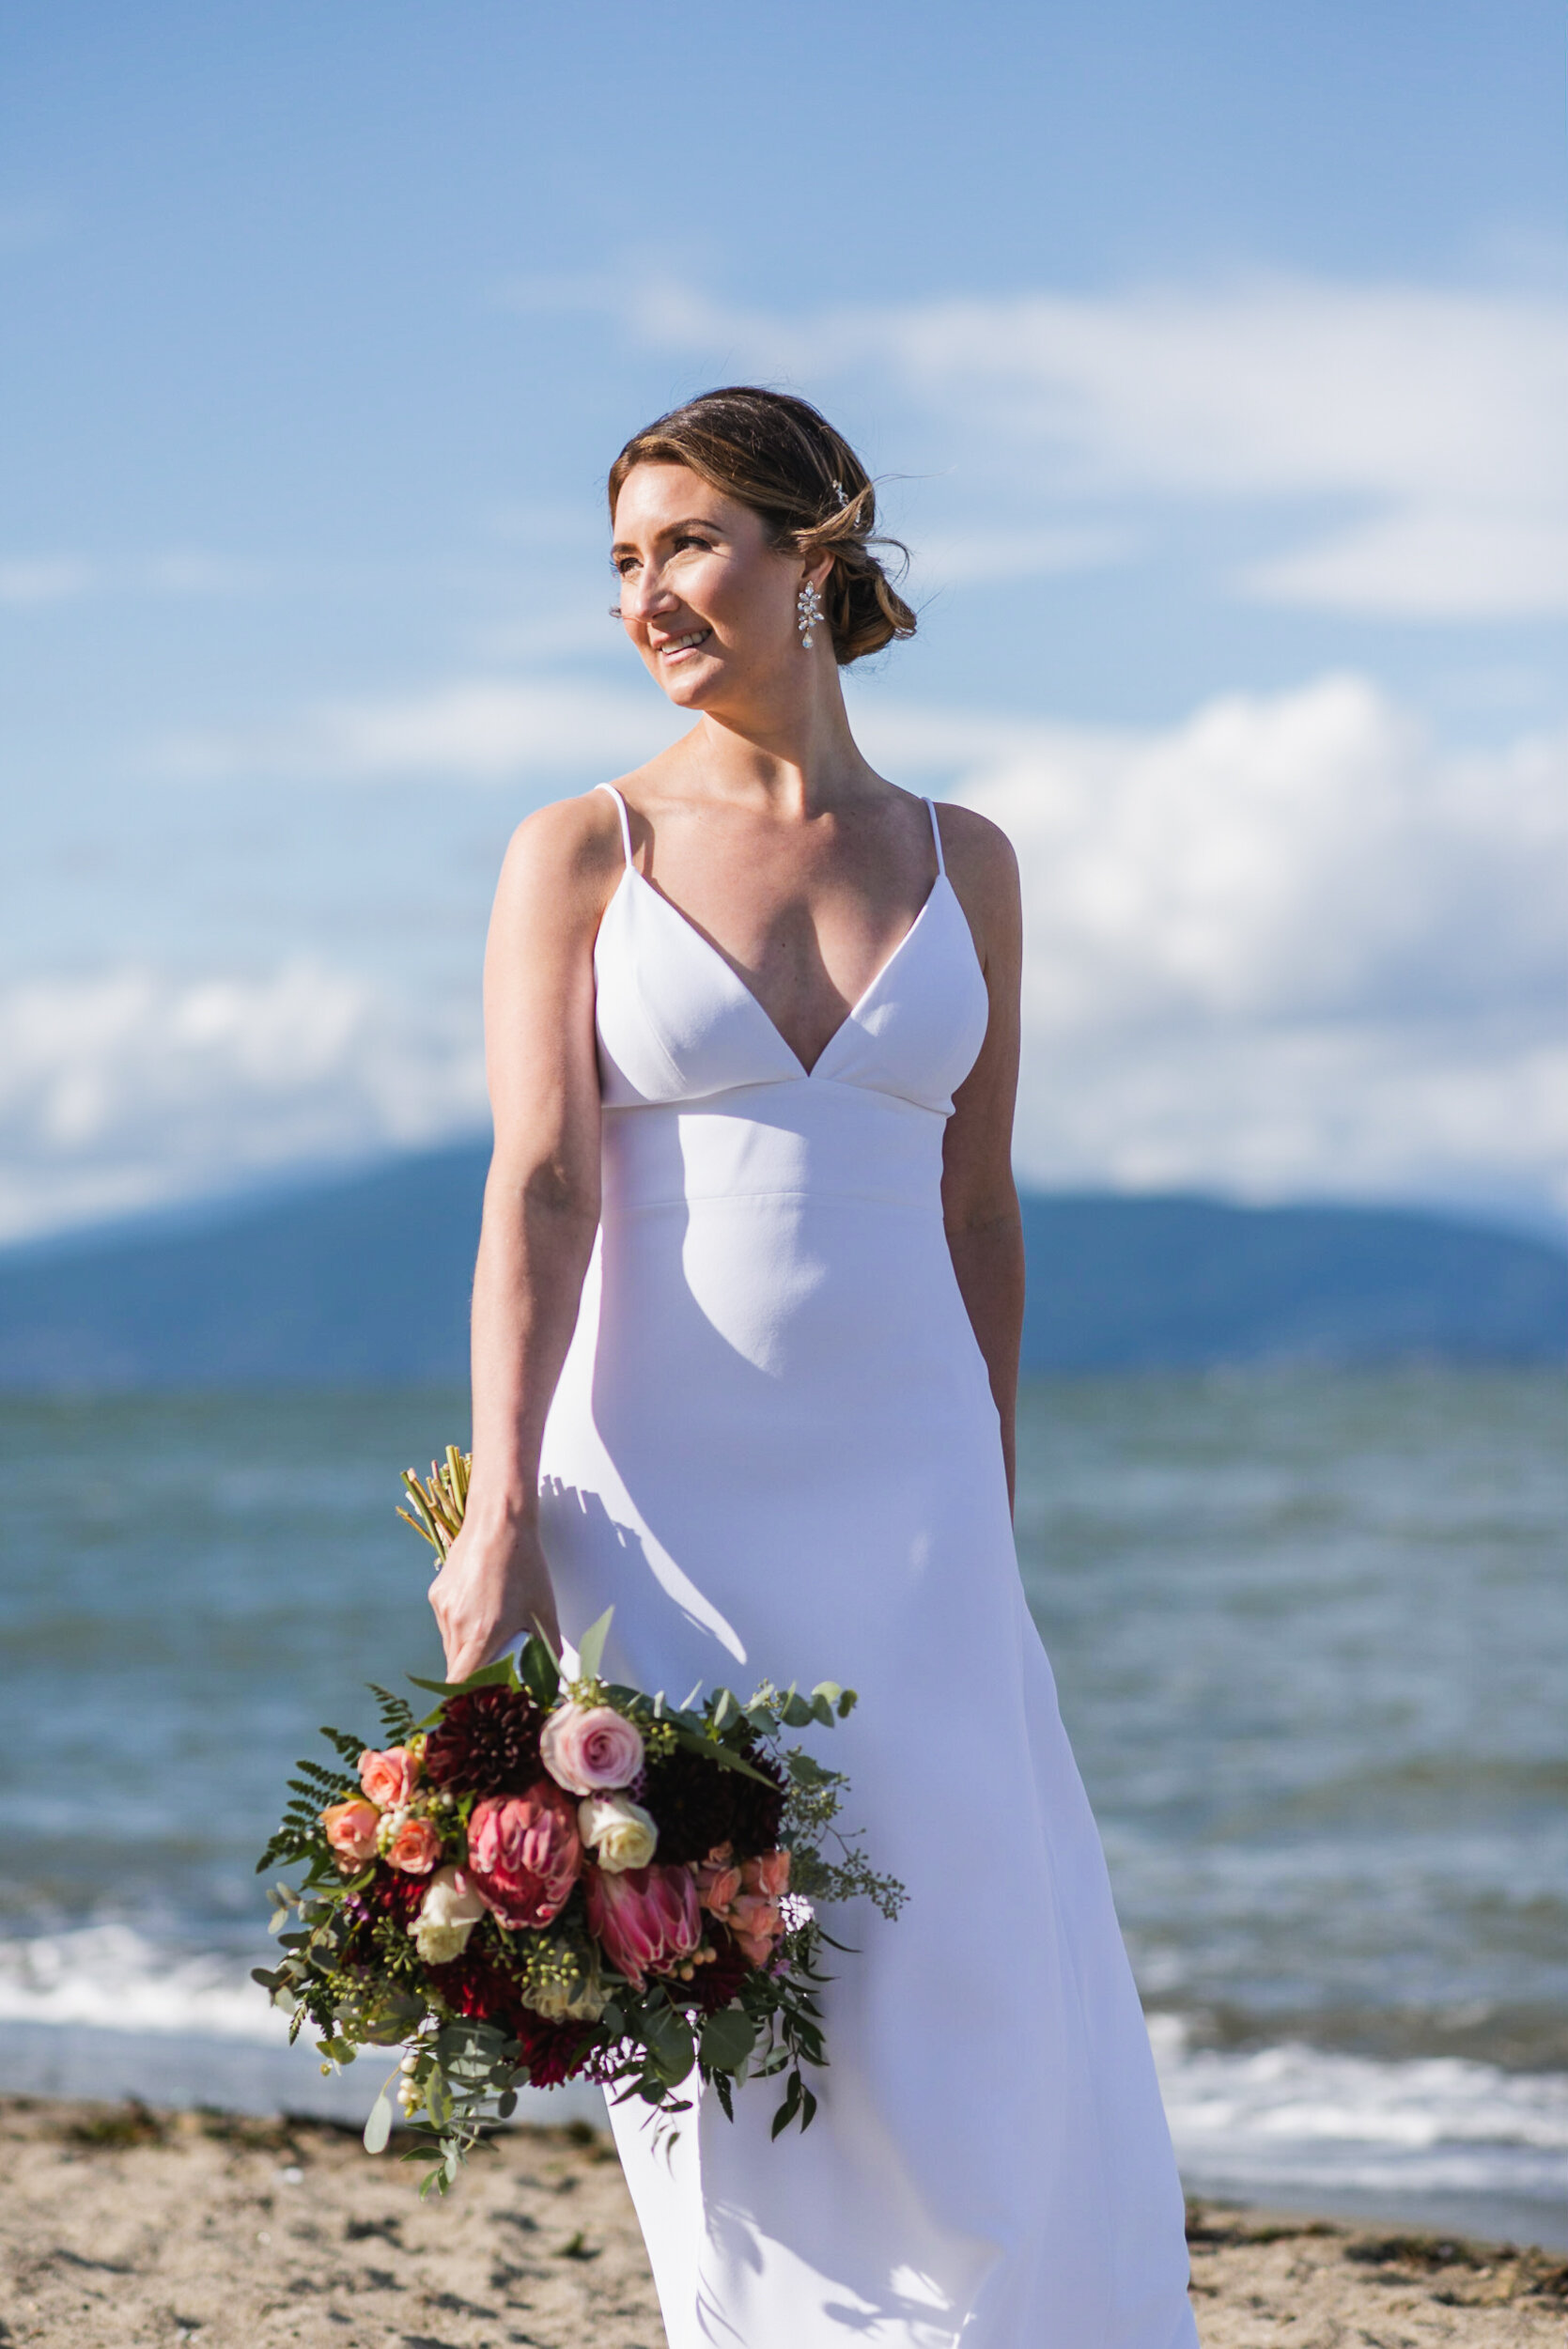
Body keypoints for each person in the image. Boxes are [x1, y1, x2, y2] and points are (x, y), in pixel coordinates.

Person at [430, 386, 1197, 2349]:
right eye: (622, 560)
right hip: (659, 1490)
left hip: (916, 1479)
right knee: (706, 1931)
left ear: (816, 552)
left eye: (689, 544)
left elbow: (979, 1208)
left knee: (955, 1935)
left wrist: (988, 1496)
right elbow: (533, 1187)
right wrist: (500, 1504)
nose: (648, 595)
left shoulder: (965, 859)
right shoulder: (578, 846)